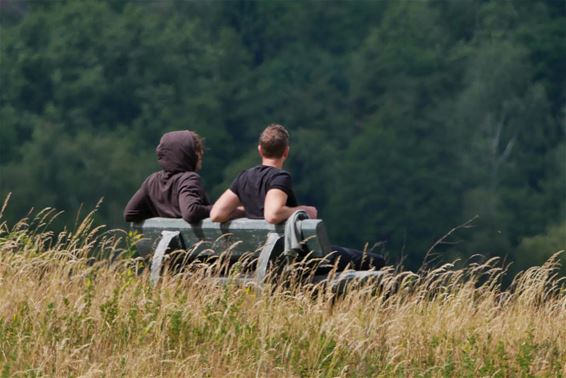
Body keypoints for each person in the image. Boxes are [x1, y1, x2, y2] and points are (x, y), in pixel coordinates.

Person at [211, 124, 385, 270]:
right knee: (376, 262)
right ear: (286, 151)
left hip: (254, 257)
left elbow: (216, 214)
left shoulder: (244, 177)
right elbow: (272, 214)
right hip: (296, 257)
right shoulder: (279, 177)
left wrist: (247, 211)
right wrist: (303, 209)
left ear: (260, 150)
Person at [124, 130, 212, 223]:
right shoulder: (189, 179)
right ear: (185, 153)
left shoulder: (152, 180)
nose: (201, 153)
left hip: (165, 237)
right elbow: (190, 212)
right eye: (196, 150)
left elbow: (130, 213)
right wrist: (218, 209)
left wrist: (162, 214)